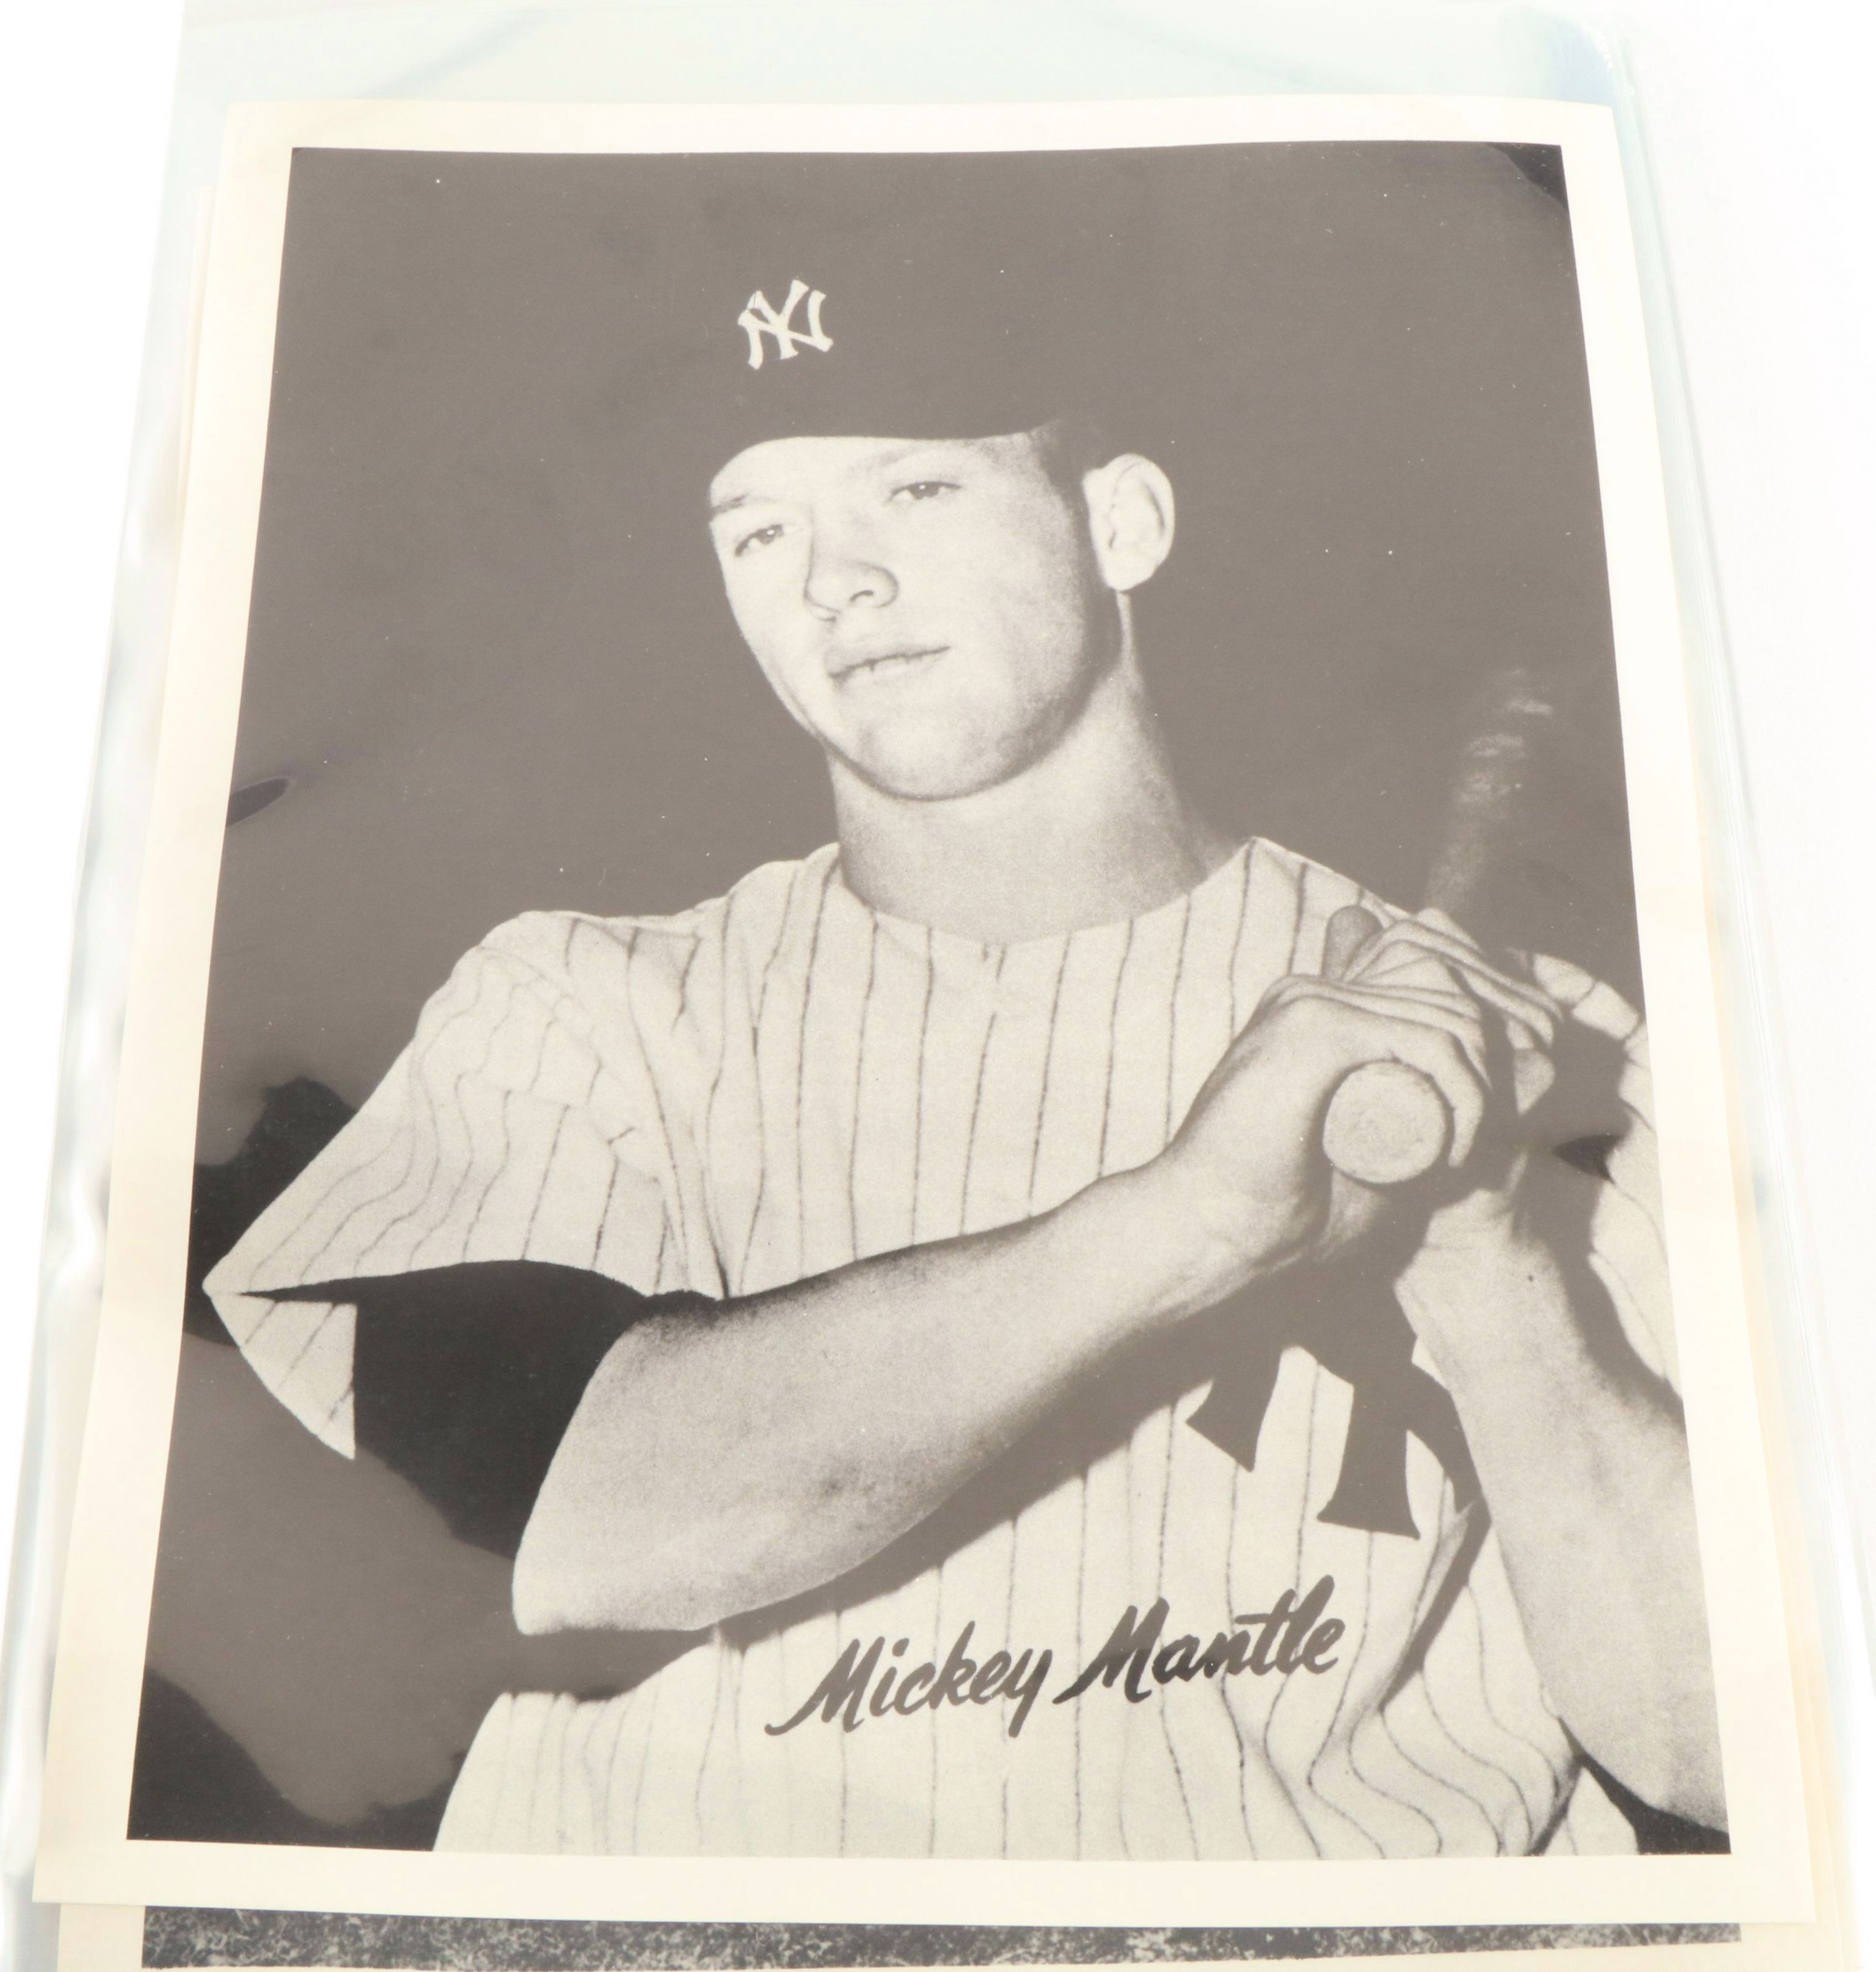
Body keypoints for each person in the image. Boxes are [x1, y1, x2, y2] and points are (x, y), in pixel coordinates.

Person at [204, 222, 1722, 1862]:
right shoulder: (582, 1007)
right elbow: (569, 1509)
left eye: (913, 488)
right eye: (757, 528)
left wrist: (1495, 1257)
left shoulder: (1546, 1046)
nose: (830, 578)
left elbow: (1717, 1752)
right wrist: (1192, 1213)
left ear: (1120, 520)